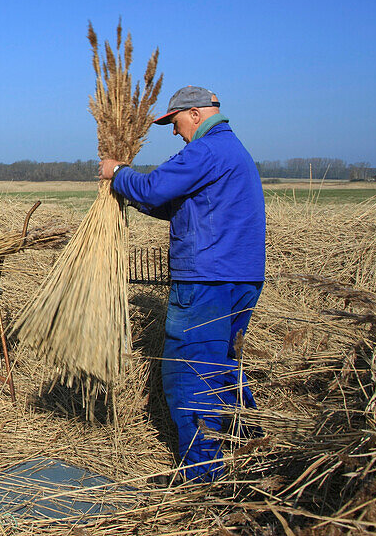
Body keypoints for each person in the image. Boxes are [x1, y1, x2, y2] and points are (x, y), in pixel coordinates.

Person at [100, 86, 265, 482]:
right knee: (222, 364)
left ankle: (203, 476)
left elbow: (156, 187)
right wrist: (132, 194)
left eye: (173, 123)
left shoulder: (205, 151)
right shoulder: (233, 151)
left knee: (190, 373)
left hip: (206, 281)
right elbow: (174, 203)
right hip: (240, 278)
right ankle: (251, 443)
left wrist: (117, 173)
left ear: (193, 114)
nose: (174, 132)